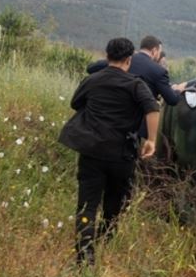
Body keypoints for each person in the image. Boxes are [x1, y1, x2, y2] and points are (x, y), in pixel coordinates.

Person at [59, 38, 160, 265]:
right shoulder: (136, 85)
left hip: (92, 152)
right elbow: (153, 107)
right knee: (116, 202)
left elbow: (76, 103)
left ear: (107, 56)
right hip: (121, 155)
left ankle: (85, 256)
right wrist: (151, 140)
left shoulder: (93, 80)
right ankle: (106, 237)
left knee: (87, 204)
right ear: (129, 60)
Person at [87, 35, 186, 139]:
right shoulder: (158, 71)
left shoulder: (121, 60)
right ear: (154, 51)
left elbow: (91, 69)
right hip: (134, 129)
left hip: (105, 122)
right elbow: (172, 100)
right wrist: (178, 90)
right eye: (159, 52)